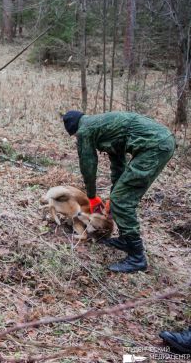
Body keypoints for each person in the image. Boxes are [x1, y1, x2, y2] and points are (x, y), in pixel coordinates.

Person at [62, 110, 175, 273]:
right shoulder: (103, 126)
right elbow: (118, 164)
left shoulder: (85, 130)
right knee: (118, 196)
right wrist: (112, 196)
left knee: (122, 200)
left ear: (74, 130)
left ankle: (137, 258)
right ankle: (125, 240)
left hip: (154, 147)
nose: (77, 139)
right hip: (160, 142)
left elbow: (88, 165)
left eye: (75, 137)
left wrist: (92, 197)